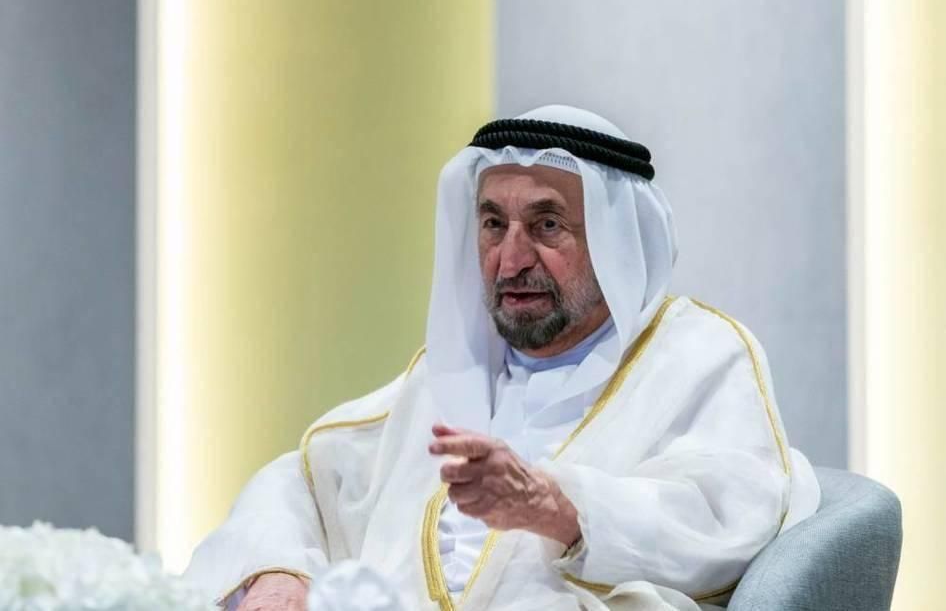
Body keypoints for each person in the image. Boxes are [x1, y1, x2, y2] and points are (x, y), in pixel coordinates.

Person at [184, 105, 820, 611]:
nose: (510, 260)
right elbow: (305, 477)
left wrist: (558, 507)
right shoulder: (455, 371)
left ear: (618, 242)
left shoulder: (695, 355)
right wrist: (277, 573)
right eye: (493, 225)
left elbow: (731, 515)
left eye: (547, 226)